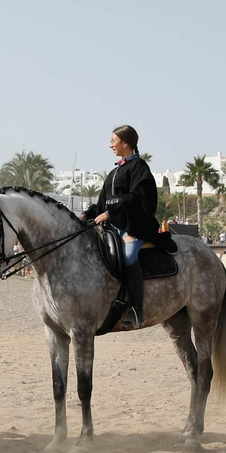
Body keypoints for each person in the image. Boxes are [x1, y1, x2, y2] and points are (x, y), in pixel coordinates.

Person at [83, 124, 158, 328]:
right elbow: (101, 204)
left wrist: (109, 214)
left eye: (113, 141)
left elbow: (138, 199)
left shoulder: (140, 168)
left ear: (125, 143)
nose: (110, 145)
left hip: (134, 226)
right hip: (112, 226)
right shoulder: (114, 172)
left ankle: (136, 308)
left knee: (128, 256)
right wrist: (87, 214)